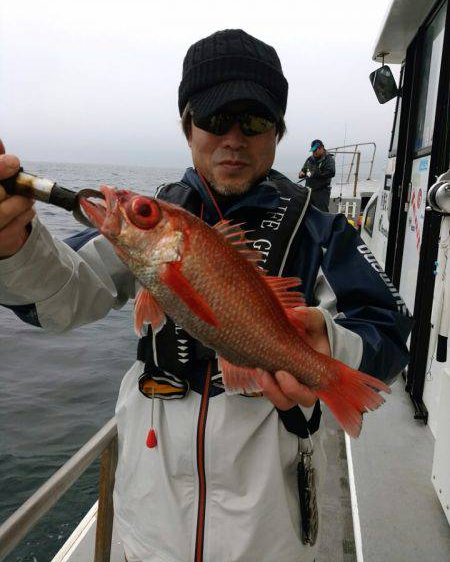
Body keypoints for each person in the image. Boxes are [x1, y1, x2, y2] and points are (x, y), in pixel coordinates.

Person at [0, 29, 411, 562]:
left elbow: (391, 329)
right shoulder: (158, 222)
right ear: (187, 126)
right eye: (215, 120)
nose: (233, 138)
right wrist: (17, 247)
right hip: (148, 524)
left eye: (255, 122)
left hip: (270, 536)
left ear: (279, 132)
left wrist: (332, 347)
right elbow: (67, 294)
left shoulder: (320, 228)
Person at [299, 139, 335, 211]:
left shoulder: (329, 159)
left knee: (321, 213)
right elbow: (303, 170)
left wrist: (314, 173)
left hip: (322, 192)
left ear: (321, 148)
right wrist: (301, 173)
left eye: (315, 150)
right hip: (309, 191)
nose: (313, 152)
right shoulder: (310, 159)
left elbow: (331, 172)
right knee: (307, 212)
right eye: (312, 150)